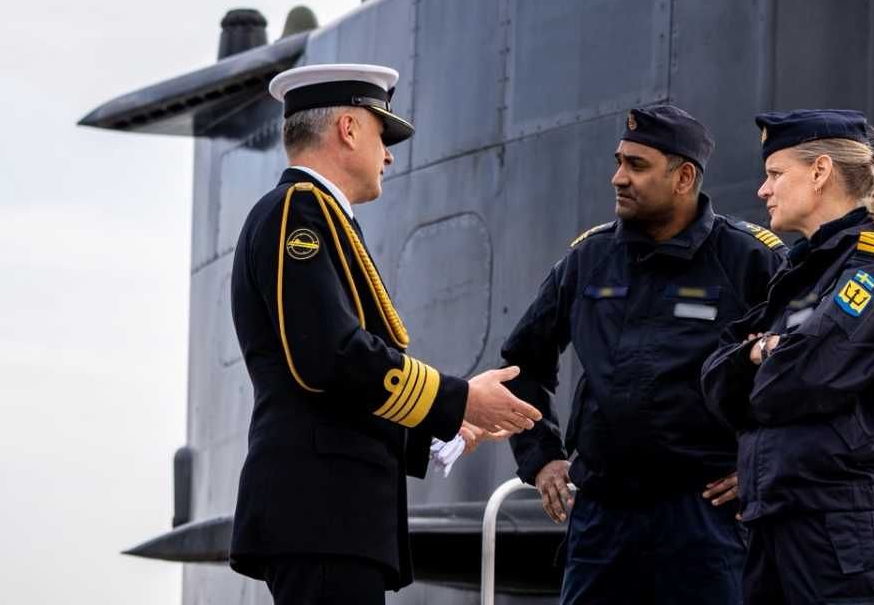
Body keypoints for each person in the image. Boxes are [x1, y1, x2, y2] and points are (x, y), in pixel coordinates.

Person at [228, 63, 542, 605]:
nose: (390, 154)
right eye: (382, 134)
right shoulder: (298, 211)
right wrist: (459, 396)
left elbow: (338, 390)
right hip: (322, 512)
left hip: (332, 517)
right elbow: (328, 357)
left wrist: (453, 426)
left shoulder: (320, 214)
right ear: (348, 129)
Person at [499, 103, 785, 605]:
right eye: (618, 161)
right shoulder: (589, 258)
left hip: (706, 521)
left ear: (684, 177)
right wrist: (542, 459)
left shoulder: (751, 260)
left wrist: (763, 466)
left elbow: (804, 373)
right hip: (603, 520)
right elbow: (522, 366)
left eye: (636, 165)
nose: (618, 178)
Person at [701, 110, 874, 605]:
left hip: (843, 530)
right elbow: (717, 380)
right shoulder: (798, 274)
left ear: (820, 171)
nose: (763, 191)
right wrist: (763, 352)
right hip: (777, 522)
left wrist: (761, 364)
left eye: (775, 174)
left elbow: (806, 375)